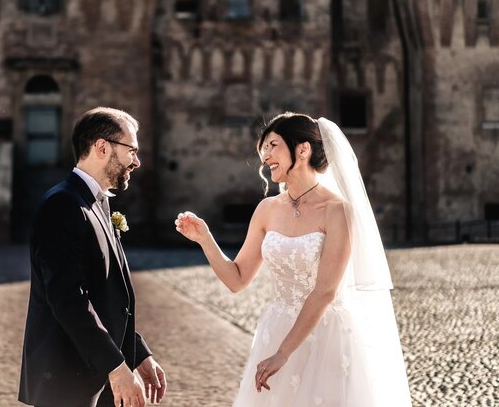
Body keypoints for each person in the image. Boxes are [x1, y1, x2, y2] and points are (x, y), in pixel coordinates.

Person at [175, 112, 411, 406]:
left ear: (303, 149)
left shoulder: (337, 210)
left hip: (326, 335)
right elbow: (237, 279)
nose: (265, 156)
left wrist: (284, 352)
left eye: (273, 145)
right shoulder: (266, 209)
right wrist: (205, 239)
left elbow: (325, 290)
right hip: (275, 329)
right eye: (264, 149)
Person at [19, 107, 166, 407]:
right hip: (67, 383)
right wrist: (116, 368)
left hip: (97, 377)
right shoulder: (62, 204)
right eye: (132, 151)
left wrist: (137, 354)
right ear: (102, 147)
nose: (137, 161)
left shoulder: (97, 204)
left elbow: (105, 294)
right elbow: (68, 299)